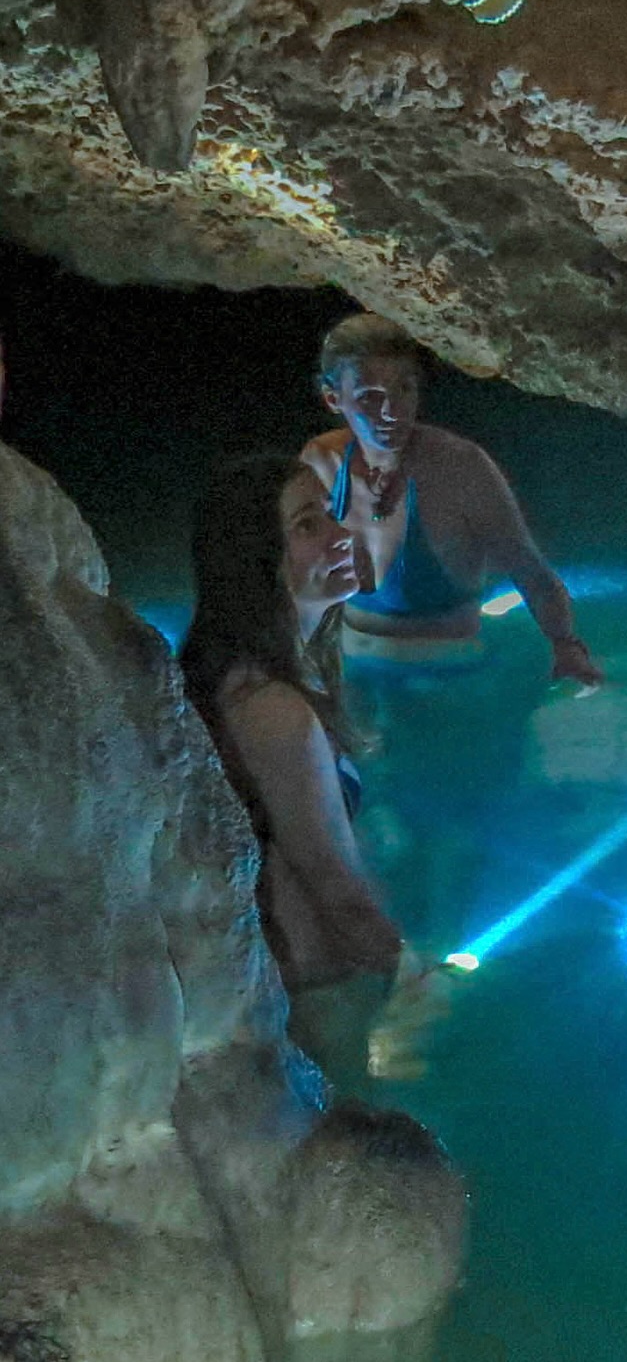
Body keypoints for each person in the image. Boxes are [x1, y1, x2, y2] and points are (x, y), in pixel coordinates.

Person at [181, 453, 403, 1083]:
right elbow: (334, 886)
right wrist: (409, 976)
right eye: (309, 526)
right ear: (258, 561)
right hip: (319, 994)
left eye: (331, 515)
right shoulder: (272, 710)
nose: (340, 534)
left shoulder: (260, 682)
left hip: (302, 988)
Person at [300, 313, 601, 682]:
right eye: (370, 397)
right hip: (353, 674)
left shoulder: (460, 467)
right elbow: (289, 570)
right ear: (333, 398)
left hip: (450, 677)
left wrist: (566, 646)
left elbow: (528, 569)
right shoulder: (321, 461)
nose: (392, 411)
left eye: (404, 390)